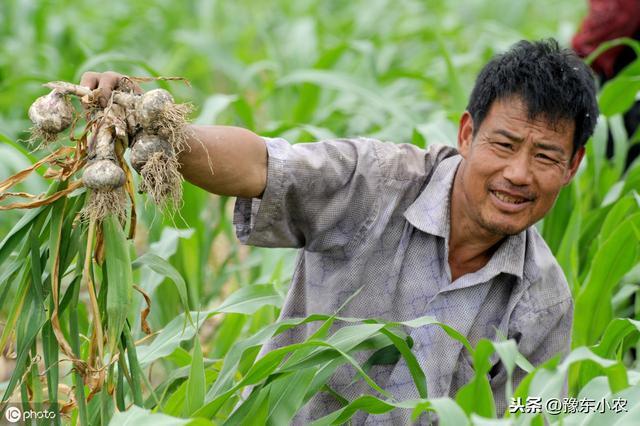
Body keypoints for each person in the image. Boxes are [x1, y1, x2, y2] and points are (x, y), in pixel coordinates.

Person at [81, 38, 598, 424]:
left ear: (571, 167)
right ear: (467, 133)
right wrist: (155, 125)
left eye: (546, 156)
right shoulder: (378, 183)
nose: (519, 174)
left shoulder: (544, 301)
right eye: (504, 146)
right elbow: (261, 166)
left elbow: (541, 413)